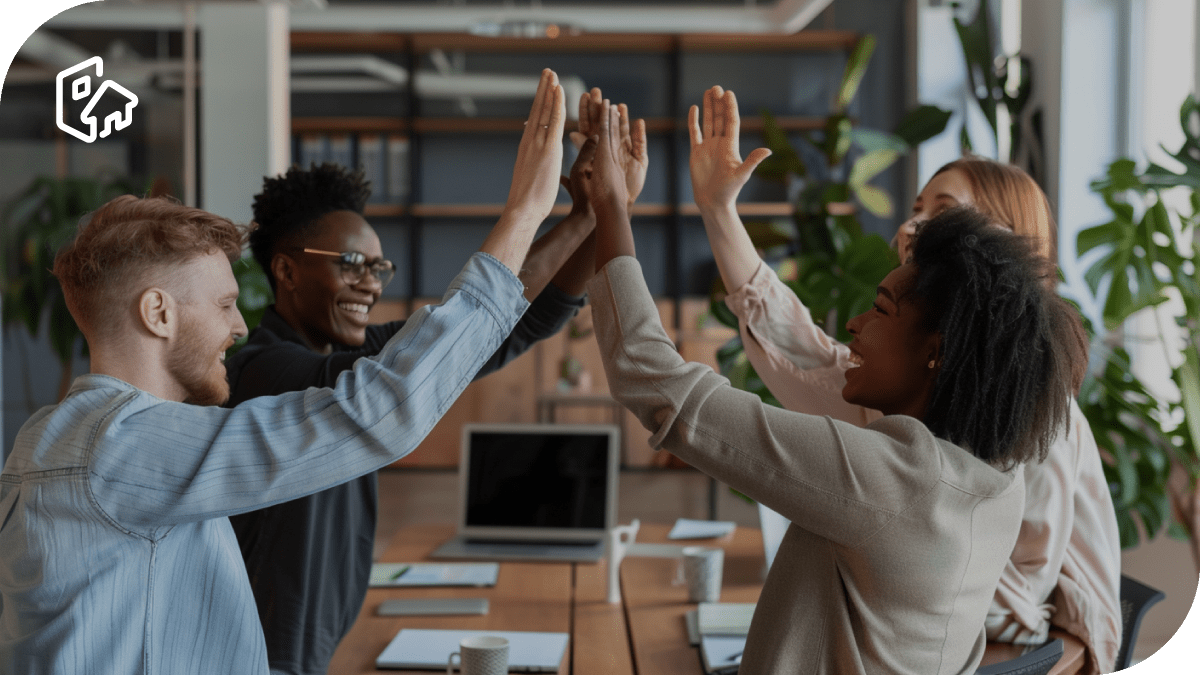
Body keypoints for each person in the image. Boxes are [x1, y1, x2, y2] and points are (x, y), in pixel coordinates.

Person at [0, 68, 566, 674]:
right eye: (223, 305)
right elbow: (376, 414)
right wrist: (524, 213)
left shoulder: (48, 436)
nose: (240, 328)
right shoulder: (124, 447)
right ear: (157, 313)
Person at [578, 95, 1087, 673]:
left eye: (881, 308)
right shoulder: (996, 475)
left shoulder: (893, 478)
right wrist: (718, 210)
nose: (853, 325)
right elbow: (800, 347)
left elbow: (657, 382)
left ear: (937, 351)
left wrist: (610, 206)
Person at [223, 89, 647, 675]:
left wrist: (593, 214)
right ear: (287, 269)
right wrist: (544, 212)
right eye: (350, 264)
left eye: (378, 267)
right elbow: (437, 351)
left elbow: (523, 324)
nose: (370, 284)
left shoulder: (353, 354)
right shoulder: (264, 371)